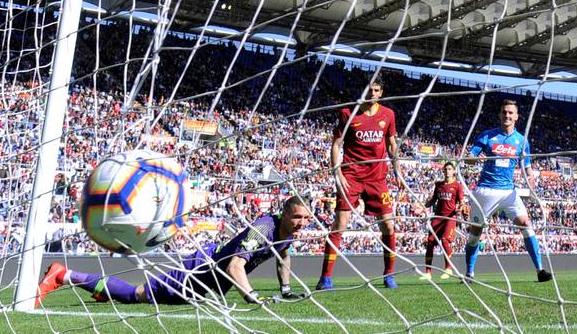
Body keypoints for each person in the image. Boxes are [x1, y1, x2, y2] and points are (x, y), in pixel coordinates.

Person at [35, 196, 312, 307]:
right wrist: (250, 296)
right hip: (200, 269)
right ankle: (63, 274)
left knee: (148, 299)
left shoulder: (286, 235)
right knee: (137, 295)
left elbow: (282, 255)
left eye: (306, 219)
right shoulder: (263, 230)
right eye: (297, 217)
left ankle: (102, 290)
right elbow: (235, 266)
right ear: (283, 214)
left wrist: (286, 289)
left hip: (209, 282)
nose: (302, 223)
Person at [316, 75, 403, 290]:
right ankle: (325, 278)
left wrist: (398, 171)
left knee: (389, 225)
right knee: (340, 225)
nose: (371, 93)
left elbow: (392, 145)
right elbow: (336, 145)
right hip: (351, 177)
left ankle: (389, 275)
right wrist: (337, 174)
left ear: (381, 93)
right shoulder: (347, 113)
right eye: (368, 89)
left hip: (377, 178)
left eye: (375, 90)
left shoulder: (388, 115)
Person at [464, 99, 552, 282]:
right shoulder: (488, 136)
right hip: (486, 191)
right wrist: (473, 160)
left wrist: (531, 181)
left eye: (511, 113)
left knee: (525, 223)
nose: (507, 115)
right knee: (475, 233)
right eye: (504, 112)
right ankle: (470, 272)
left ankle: (540, 270)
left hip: (509, 192)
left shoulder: (522, 141)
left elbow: (526, 167)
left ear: (516, 117)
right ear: (500, 114)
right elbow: (470, 157)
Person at [417, 162, 464, 281]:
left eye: (449, 169)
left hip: (450, 218)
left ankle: (448, 268)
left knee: (444, 240)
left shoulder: (457, 186)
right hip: (438, 217)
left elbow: (461, 201)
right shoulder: (439, 185)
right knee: (430, 242)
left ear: (453, 171)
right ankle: (428, 272)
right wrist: (422, 206)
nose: (447, 171)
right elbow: (433, 200)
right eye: (445, 169)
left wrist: (460, 207)